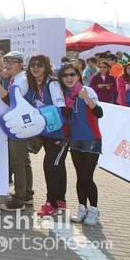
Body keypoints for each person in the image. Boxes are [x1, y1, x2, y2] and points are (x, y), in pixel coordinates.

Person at [0, 50, 34, 211]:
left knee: (17, 164)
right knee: (24, 162)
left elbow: (11, 101)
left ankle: (19, 200)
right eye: (6, 62)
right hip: (19, 124)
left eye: (12, 62)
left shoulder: (20, 81)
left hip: (19, 126)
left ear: (20, 65)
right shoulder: (17, 78)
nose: (8, 65)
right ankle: (27, 195)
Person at [58, 63, 103, 225]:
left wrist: (88, 99)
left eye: (72, 74)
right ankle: (82, 208)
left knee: (86, 176)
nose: (69, 78)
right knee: (79, 176)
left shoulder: (87, 91)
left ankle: (94, 209)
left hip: (91, 139)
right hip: (74, 140)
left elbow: (99, 113)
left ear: (78, 76)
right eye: (65, 75)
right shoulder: (63, 94)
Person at [24, 54, 68, 216]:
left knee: (51, 166)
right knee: (58, 166)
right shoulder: (35, 84)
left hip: (59, 134)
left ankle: (52, 203)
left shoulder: (52, 83)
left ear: (46, 67)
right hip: (47, 133)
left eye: (40, 64)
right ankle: (60, 200)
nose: (35, 67)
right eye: (33, 64)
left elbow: (61, 109)